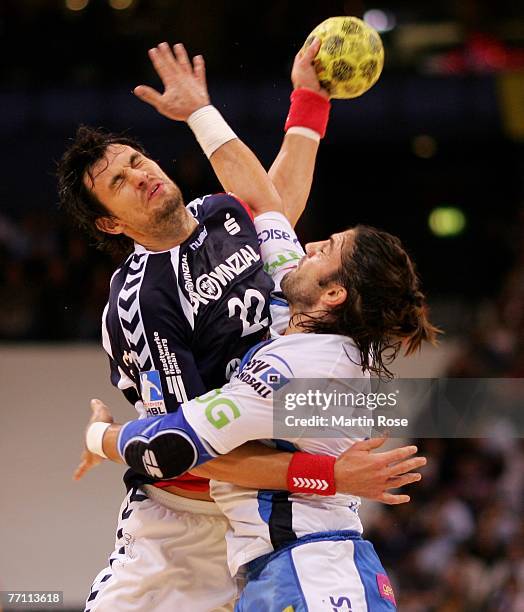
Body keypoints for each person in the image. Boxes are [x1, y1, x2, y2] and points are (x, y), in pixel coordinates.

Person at [61, 41, 424, 611]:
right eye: (118, 183)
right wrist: (328, 474)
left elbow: (275, 203)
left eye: (136, 161)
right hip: (187, 523)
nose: (139, 175)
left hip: (273, 515)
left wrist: (308, 98)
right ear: (111, 222)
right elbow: (192, 453)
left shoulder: (221, 214)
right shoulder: (142, 304)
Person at [83, 207, 438, 611]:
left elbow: (171, 444)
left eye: (328, 248)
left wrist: (99, 435)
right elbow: (267, 204)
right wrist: (213, 138)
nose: (310, 245)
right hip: (288, 567)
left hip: (313, 573)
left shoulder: (293, 372)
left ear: (334, 294)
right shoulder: (306, 322)